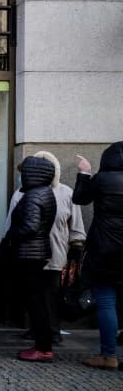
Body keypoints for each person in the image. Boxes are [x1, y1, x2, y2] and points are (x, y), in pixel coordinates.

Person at [1, 151, 86, 343]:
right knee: (32, 294)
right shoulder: (21, 193)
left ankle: (52, 331)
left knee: (52, 294)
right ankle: (37, 330)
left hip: (56, 252)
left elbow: (76, 226)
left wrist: (76, 246)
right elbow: (10, 224)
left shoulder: (66, 193)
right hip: (28, 255)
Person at [73, 142, 123, 370]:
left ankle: (108, 355)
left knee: (106, 300)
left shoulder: (102, 180)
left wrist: (84, 172)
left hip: (105, 249)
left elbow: (80, 198)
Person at [7, 156, 57, 362]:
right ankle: (42, 345)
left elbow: (30, 226)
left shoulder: (34, 196)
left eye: (23, 173)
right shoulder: (45, 193)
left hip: (30, 253)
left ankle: (42, 347)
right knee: (38, 301)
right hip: (36, 252)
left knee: (36, 303)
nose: (21, 177)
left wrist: (12, 234)